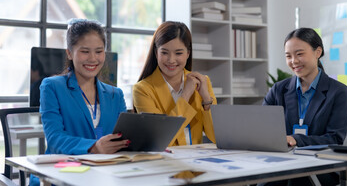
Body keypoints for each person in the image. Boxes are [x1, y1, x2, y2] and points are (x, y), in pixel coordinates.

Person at [30, 19, 129, 185]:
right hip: (61, 174)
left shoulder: (115, 94)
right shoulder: (52, 86)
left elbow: (124, 136)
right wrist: (93, 147)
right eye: (85, 51)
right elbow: (55, 138)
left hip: (105, 173)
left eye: (99, 51)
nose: (93, 59)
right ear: (69, 53)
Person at [262, 27, 347, 185]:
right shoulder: (279, 90)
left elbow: (335, 138)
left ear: (318, 52)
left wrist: (296, 139)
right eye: (288, 56)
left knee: (293, 179)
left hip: (321, 164)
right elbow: (261, 126)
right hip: (281, 161)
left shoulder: (338, 91)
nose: (293, 61)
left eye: (299, 54)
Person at [133, 21, 216, 146]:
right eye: (164, 53)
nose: (171, 60)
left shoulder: (203, 82)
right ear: (156, 53)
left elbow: (216, 136)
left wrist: (206, 100)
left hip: (197, 159)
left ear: (188, 53)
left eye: (178, 53)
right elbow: (160, 139)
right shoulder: (142, 90)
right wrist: (186, 95)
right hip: (164, 161)